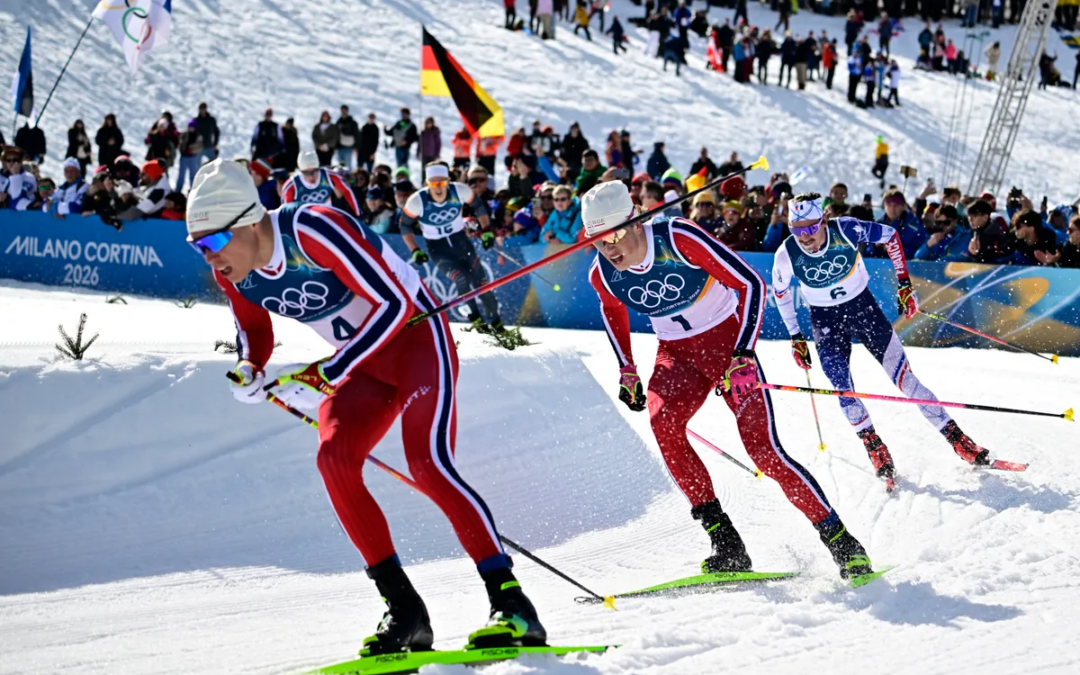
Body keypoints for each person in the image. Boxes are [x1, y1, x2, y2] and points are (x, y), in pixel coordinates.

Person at [184, 159, 545, 655]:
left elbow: (395, 305)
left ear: (247, 221)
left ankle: (512, 604)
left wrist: (331, 370)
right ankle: (405, 612)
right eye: (197, 247)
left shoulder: (311, 231)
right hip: (362, 367)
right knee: (333, 459)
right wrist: (249, 367)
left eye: (212, 243)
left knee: (427, 464)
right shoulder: (234, 270)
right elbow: (255, 330)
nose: (209, 259)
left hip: (417, 342)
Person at [581, 181, 875, 580]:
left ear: (634, 220)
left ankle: (842, 542)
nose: (609, 249)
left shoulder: (677, 237)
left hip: (725, 347)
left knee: (764, 451)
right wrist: (627, 368)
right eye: (598, 241)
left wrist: (742, 355)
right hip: (677, 355)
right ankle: (727, 545)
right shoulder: (603, 272)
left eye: (614, 235)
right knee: (663, 424)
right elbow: (612, 309)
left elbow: (751, 284)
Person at [772, 194, 996, 490]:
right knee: (842, 387)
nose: (804, 237)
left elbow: (890, 236)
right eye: (796, 229)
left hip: (863, 310)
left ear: (823, 221)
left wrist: (905, 283)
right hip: (825, 322)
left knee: (905, 380)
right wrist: (795, 336)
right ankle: (874, 446)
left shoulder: (847, 230)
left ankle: (958, 440)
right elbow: (780, 292)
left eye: (810, 228)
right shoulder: (786, 254)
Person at [399, 162, 504, 333]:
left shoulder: (459, 191)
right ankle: (475, 317)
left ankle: (496, 322)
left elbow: (478, 205)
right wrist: (415, 250)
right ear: (427, 184)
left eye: (441, 183)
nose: (438, 188)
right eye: (433, 184)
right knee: (461, 278)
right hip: (438, 250)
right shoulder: (417, 201)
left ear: (447, 181)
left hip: (461, 243)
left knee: (481, 282)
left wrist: (486, 230)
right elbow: (405, 226)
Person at [282, 150, 360, 217]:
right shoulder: (292, 185)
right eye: (306, 173)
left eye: (314, 171)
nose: (311, 176)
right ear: (300, 171)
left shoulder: (329, 176)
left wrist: (358, 214)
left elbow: (347, 191)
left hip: (325, 215)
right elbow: (286, 210)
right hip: (304, 220)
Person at [0, 146, 38, 210]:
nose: (11, 163)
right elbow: (15, 195)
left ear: (20, 162)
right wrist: (15, 175)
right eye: (8, 160)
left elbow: (34, 194)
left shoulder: (30, 177)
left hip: (27, 213)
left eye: (15, 160)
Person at [175, 120, 205, 192]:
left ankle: (193, 190)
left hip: (192, 157)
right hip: (183, 157)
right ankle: (178, 190)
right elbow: (179, 141)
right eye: (189, 127)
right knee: (181, 175)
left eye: (192, 127)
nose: (190, 128)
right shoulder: (184, 134)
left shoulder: (198, 136)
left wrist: (192, 150)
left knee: (193, 176)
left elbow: (200, 147)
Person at [336, 105, 360, 170]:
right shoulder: (338, 122)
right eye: (342, 110)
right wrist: (335, 147)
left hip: (348, 148)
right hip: (340, 148)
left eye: (345, 110)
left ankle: (349, 180)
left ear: (347, 111)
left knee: (348, 166)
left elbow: (357, 135)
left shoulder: (352, 122)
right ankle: (341, 179)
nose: (343, 112)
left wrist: (356, 147)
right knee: (341, 166)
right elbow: (336, 135)